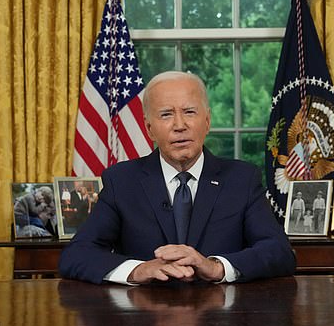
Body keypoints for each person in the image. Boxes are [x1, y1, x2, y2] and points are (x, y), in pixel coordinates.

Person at [58, 71, 296, 285]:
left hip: (222, 320)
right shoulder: (121, 181)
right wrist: (138, 270)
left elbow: (279, 252)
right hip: (144, 320)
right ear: (149, 128)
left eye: (189, 112)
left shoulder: (242, 179)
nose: (179, 125)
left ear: (207, 120)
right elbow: (76, 255)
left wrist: (215, 267)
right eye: (166, 114)